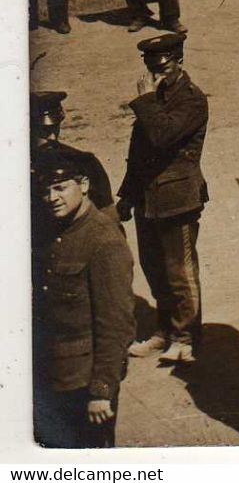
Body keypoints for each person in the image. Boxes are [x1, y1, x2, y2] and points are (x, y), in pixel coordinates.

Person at [33, 148, 134, 449]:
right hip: (51, 373)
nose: (52, 198)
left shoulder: (104, 241)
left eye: (61, 187)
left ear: (85, 185)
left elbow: (116, 326)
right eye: (45, 190)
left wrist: (102, 391)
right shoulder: (53, 231)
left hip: (84, 385)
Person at [119, 31, 209, 364]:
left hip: (178, 198)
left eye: (164, 66)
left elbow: (161, 137)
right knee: (154, 268)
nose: (157, 74)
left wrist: (145, 101)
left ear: (179, 61)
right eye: (151, 67)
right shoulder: (155, 100)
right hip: (147, 199)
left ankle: (186, 337)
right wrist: (127, 196)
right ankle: (164, 331)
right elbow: (139, 152)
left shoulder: (192, 99)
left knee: (180, 272)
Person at [31, 90, 114, 216]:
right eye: (43, 131)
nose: (52, 137)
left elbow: (107, 214)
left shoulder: (83, 162)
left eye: (55, 128)